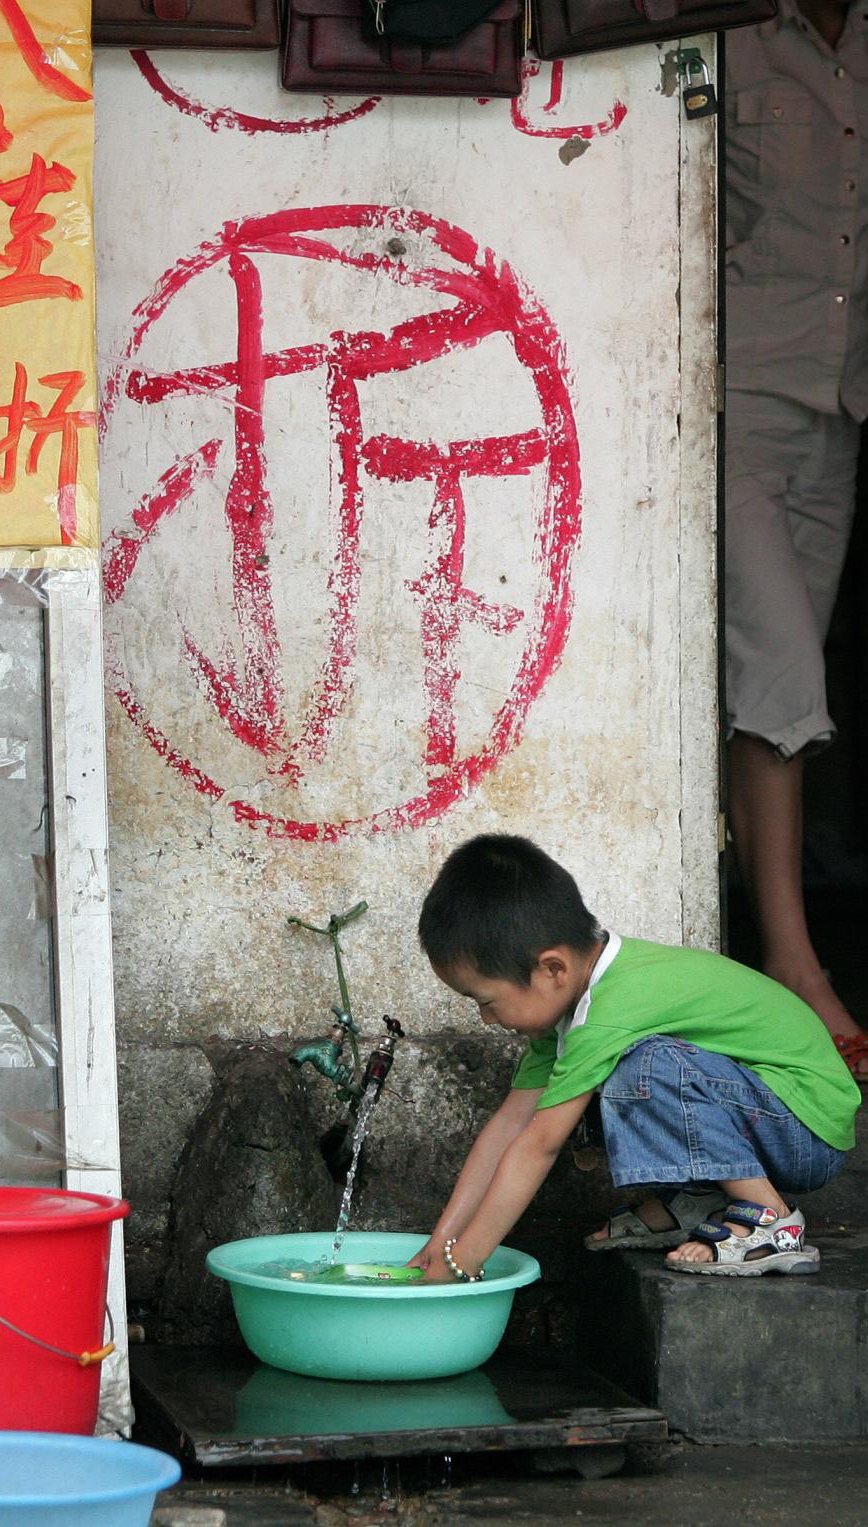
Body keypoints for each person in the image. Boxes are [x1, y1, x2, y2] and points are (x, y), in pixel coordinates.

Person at [407, 834, 858, 1284]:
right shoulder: (568, 1013)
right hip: (765, 1113)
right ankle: (696, 1202)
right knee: (609, 1080)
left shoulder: (611, 1011)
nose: (486, 1019)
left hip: (804, 1127)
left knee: (645, 1067)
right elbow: (511, 1125)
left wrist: (462, 1262)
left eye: (486, 1000)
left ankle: (769, 1217)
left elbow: (537, 1146)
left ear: (552, 969)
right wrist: (441, 1242)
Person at [724, 0, 868, 1072]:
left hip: (840, 409)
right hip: (733, 402)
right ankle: (791, 963)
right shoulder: (727, 31)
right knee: (780, 680)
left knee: (777, 694)